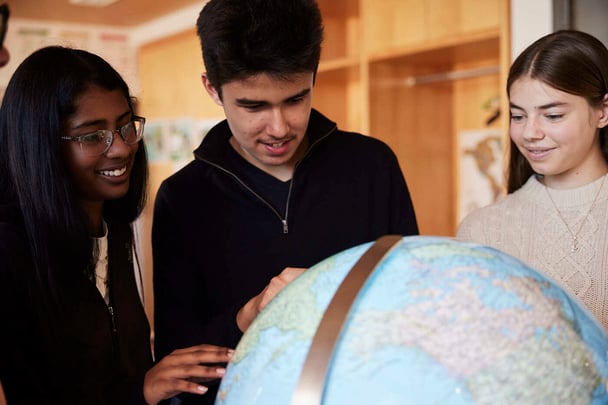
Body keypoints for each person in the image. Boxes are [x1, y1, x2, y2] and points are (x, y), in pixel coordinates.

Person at [152, 0, 419, 403]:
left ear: (313, 76)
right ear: (212, 88)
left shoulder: (372, 167)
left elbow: (413, 306)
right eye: (253, 106)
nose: (278, 128)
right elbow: (178, 364)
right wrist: (249, 315)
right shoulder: (182, 198)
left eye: (295, 99)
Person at [0, 46, 232, 405]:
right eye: (93, 136)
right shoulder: (11, 250)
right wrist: (141, 391)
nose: (122, 148)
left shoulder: (113, 227)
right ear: (41, 145)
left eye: (125, 126)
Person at [457, 30, 608, 330]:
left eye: (552, 116)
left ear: (603, 111)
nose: (529, 133)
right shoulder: (483, 231)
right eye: (518, 116)